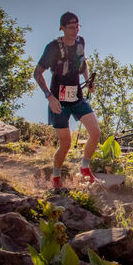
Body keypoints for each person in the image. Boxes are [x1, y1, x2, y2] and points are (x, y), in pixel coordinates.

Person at [34, 12, 102, 190]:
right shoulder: (53, 48)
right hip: (58, 101)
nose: (75, 30)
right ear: (62, 28)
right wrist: (49, 97)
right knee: (65, 143)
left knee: (95, 132)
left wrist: (88, 81)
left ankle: (85, 167)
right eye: (71, 27)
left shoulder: (80, 42)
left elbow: (83, 62)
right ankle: (56, 177)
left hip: (77, 98)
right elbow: (37, 73)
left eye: (77, 26)